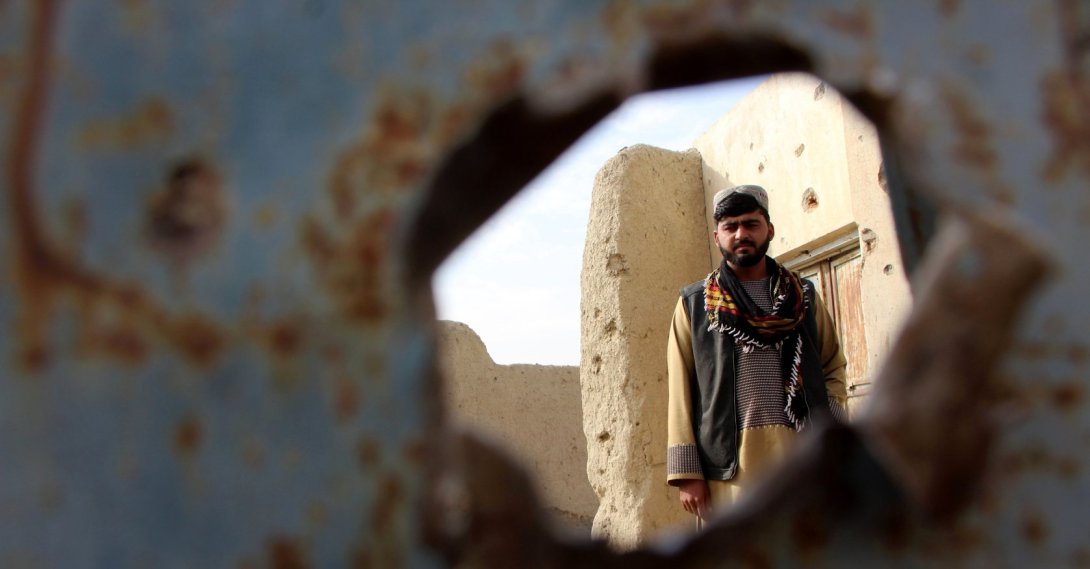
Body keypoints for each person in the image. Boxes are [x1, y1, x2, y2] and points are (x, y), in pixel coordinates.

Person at [665, 184, 847, 523]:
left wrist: (828, 422)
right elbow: (680, 388)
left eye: (751, 224)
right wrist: (688, 471)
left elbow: (832, 364)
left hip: (802, 457)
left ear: (769, 230)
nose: (741, 234)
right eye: (730, 226)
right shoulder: (695, 304)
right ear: (717, 235)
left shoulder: (803, 296)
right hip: (731, 469)